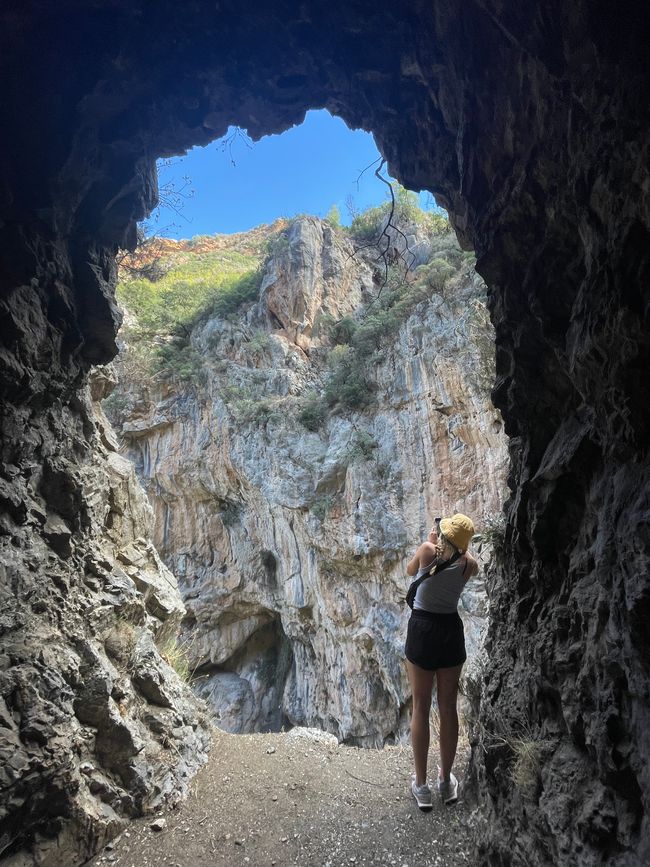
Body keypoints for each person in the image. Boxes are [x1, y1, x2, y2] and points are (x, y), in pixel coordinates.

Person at [404, 513, 478, 811]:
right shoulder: (468, 565)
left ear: (442, 535)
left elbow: (410, 570)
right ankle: (446, 782)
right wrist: (457, 546)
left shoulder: (425, 551)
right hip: (450, 631)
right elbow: (465, 555)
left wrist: (431, 543)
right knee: (448, 707)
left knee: (421, 706)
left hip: (422, 629)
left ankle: (422, 787)